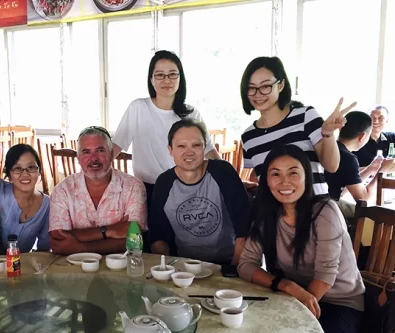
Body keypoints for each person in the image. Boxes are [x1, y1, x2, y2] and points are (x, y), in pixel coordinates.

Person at [238, 145, 365, 333]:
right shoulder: (266, 213)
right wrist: (285, 285)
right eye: (275, 174)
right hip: (291, 297)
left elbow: (325, 277)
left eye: (293, 173)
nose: (284, 182)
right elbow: (246, 264)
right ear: (266, 181)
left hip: (338, 304)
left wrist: (294, 307)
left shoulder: (325, 211)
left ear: (307, 177)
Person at [112, 50, 220, 209]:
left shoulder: (191, 113)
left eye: (172, 74)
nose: (166, 80)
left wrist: (227, 178)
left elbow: (209, 152)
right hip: (145, 190)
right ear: (151, 79)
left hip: (185, 189)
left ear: (180, 78)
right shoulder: (138, 108)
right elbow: (115, 147)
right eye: (160, 75)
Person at [240, 56, 356, 195]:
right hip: (275, 214)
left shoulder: (306, 116)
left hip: (315, 209)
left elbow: (332, 166)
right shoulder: (248, 137)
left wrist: (327, 133)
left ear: (281, 85)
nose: (258, 94)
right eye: (251, 88)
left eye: (265, 86)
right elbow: (260, 179)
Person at [149, 119, 250, 265]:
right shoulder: (164, 183)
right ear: (170, 150)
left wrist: (234, 270)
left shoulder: (223, 172)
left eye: (196, 145)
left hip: (227, 262)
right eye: (181, 146)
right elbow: (158, 237)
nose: (189, 152)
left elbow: (244, 229)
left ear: (204, 147)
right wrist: (168, 268)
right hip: (183, 264)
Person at [49, 126, 147, 255]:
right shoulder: (63, 190)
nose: (94, 158)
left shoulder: (133, 186)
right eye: (86, 152)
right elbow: (59, 239)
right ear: (78, 157)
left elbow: (134, 241)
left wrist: (78, 248)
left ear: (111, 154)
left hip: (121, 266)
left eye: (100, 150)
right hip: (74, 267)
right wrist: (108, 231)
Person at [325, 111, 384, 202]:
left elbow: (346, 188)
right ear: (362, 136)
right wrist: (382, 171)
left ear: (341, 129)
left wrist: (371, 169)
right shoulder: (348, 158)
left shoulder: (329, 149)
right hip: (329, 207)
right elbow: (364, 200)